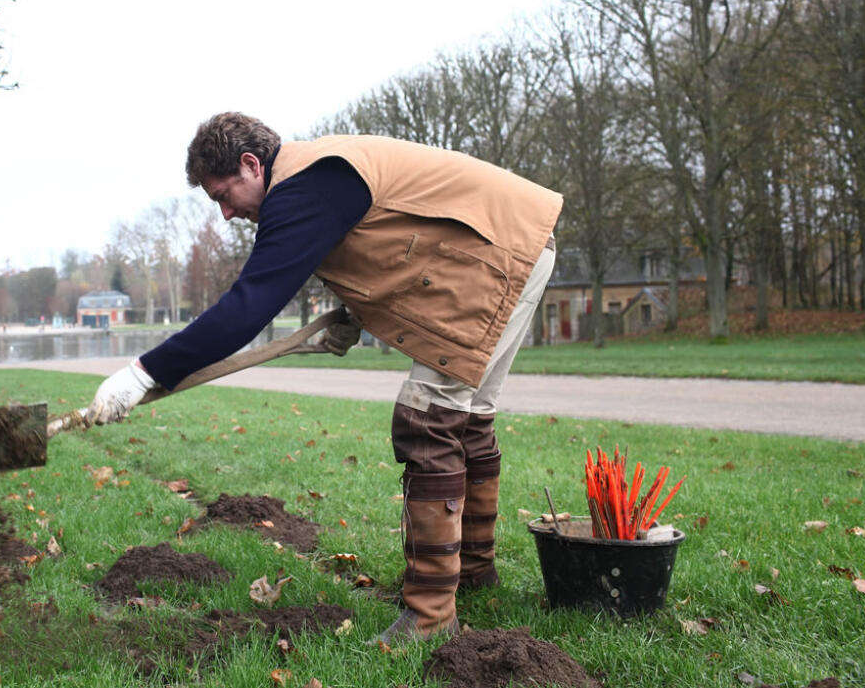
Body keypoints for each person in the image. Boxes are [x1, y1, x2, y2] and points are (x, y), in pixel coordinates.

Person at [84, 111, 561, 644]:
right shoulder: (318, 178)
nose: (225, 213)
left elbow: (248, 307)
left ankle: (430, 617)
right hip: (519, 245)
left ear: (251, 164)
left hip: (496, 259)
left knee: (428, 419)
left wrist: (144, 371)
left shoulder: (304, 186)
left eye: (224, 194)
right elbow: (398, 238)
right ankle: (472, 573)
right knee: (466, 420)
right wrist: (355, 316)